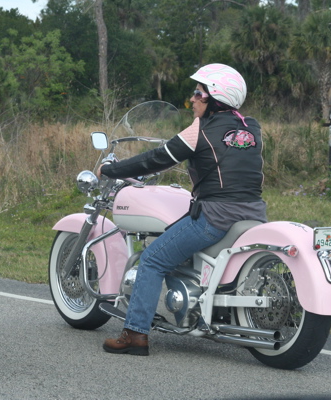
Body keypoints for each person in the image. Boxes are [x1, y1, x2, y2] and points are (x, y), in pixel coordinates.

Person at [99, 63, 267, 356]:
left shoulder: (200, 129)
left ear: (215, 98)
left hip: (216, 216)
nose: (192, 99)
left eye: (198, 93)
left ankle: (134, 333)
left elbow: (157, 159)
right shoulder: (251, 127)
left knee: (152, 259)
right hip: (254, 213)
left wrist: (112, 170)